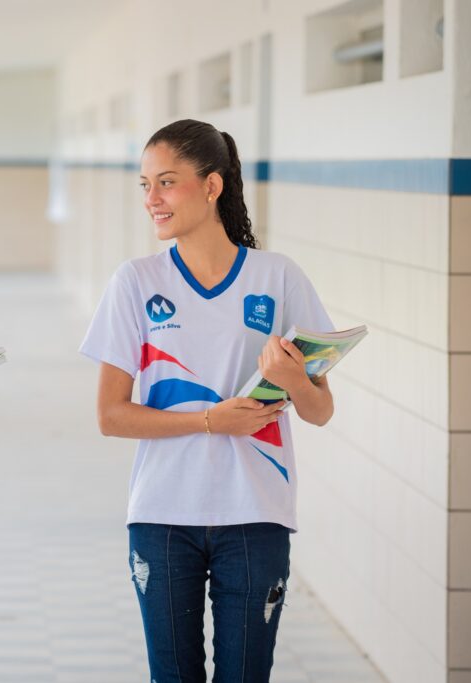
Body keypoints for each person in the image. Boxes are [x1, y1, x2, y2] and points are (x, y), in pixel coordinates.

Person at [79, 119, 335, 682]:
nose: (152, 199)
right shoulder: (136, 283)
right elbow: (110, 416)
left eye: (166, 183)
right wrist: (209, 421)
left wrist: (292, 380)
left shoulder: (276, 277)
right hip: (164, 515)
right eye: (145, 185)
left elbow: (319, 410)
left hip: (257, 514)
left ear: (212, 186)